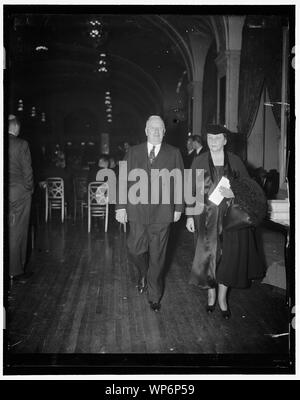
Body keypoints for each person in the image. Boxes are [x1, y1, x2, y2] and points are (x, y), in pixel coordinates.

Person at [186, 124, 265, 319]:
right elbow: (191, 191)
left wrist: (234, 192)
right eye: (210, 138)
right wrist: (189, 215)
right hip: (205, 217)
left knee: (229, 258)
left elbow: (249, 189)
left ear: (225, 140)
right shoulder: (199, 160)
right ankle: (211, 294)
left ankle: (222, 298)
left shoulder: (236, 161)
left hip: (231, 218)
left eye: (217, 138)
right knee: (208, 256)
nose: (213, 142)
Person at [116, 115, 184, 312]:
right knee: (134, 249)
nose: (156, 132)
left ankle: (154, 296)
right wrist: (120, 207)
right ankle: (144, 273)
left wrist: (179, 208)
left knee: (158, 256)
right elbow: (122, 179)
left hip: (162, 214)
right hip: (136, 211)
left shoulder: (173, 153)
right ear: (145, 131)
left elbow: (179, 182)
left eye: (160, 128)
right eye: (152, 128)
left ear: (164, 131)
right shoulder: (133, 152)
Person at [8, 114, 34, 279]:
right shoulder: (21, 144)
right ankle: (16, 271)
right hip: (19, 193)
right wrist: (29, 189)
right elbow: (27, 171)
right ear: (16, 127)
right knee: (18, 231)